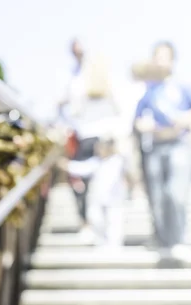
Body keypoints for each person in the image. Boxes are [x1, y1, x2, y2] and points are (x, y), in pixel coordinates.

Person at [134, 41, 191, 258]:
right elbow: (138, 119)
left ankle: (178, 238)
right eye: (157, 57)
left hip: (179, 145)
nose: (160, 61)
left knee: (176, 194)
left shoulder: (183, 87)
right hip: (155, 146)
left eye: (164, 56)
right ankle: (163, 240)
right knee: (157, 196)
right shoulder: (149, 90)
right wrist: (144, 126)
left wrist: (187, 120)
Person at [58, 38, 120, 241]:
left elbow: (116, 106)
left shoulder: (101, 73)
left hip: (102, 136)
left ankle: (105, 231)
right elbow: (68, 105)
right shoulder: (73, 77)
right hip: (83, 134)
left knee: (104, 188)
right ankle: (88, 225)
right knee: (81, 182)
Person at [59, 135, 131, 248]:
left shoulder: (118, 160)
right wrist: (67, 165)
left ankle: (114, 244)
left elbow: (128, 173)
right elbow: (81, 168)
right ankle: (101, 241)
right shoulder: (96, 162)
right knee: (96, 219)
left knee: (115, 221)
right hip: (98, 197)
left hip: (115, 197)